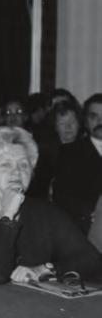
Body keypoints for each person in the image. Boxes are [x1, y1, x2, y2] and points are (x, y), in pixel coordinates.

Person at [0, 127, 102, 284]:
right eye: (6, 165)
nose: (16, 172)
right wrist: (7, 216)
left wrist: (45, 269)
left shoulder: (45, 212)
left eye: (23, 165)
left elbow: (91, 258)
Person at [53, 93, 102, 233]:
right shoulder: (69, 153)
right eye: (94, 116)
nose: (100, 121)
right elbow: (62, 196)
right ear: (85, 121)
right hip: (86, 232)